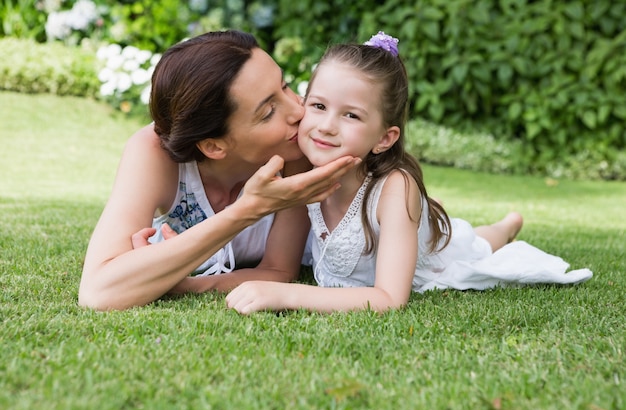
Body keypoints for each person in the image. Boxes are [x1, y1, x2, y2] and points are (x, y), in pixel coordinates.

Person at [225, 32, 593, 314]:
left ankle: (508, 224)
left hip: (432, 258)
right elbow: (279, 263)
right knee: (451, 230)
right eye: (318, 106)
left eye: (351, 115)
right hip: (404, 224)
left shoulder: (395, 188)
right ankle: (438, 217)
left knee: (472, 245)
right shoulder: (300, 171)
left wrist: (285, 295)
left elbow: (388, 298)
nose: (326, 126)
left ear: (385, 138)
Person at [78, 30, 360, 311]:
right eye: (268, 112)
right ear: (213, 146)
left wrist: (188, 285)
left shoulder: (296, 148)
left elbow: (278, 271)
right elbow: (98, 292)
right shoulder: (153, 152)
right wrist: (249, 209)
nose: (299, 111)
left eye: (285, 86)